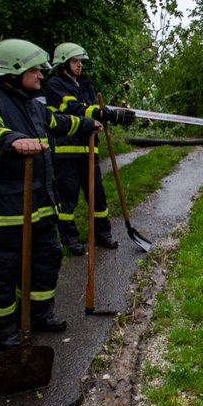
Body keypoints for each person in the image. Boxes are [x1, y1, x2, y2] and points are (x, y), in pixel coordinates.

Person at [0, 39, 100, 350]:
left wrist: (87, 123)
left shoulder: (32, 103)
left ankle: (38, 313)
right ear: (14, 70)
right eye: (35, 70)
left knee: (47, 258)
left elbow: (57, 122)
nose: (41, 76)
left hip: (37, 205)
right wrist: (12, 141)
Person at [43, 42, 135, 255]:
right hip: (67, 151)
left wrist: (107, 114)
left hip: (89, 148)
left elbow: (93, 108)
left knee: (97, 196)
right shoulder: (54, 85)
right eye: (75, 61)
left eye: (81, 62)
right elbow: (73, 108)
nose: (79, 65)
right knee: (68, 196)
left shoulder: (86, 83)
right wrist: (104, 113)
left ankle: (103, 234)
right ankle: (69, 238)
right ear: (64, 63)